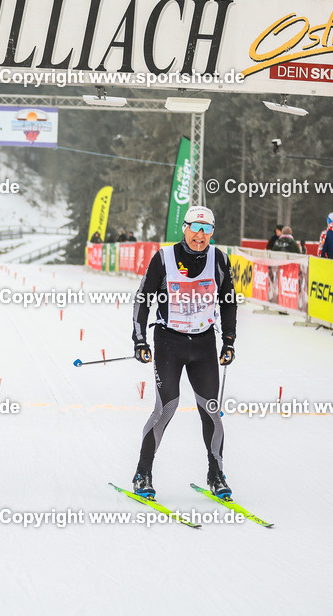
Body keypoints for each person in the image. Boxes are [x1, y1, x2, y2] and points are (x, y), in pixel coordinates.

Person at [130, 205, 238, 500]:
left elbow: (229, 302)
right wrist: (139, 340)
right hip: (169, 341)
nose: (200, 235)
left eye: (207, 229)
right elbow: (143, 298)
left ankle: (216, 474)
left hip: (203, 344)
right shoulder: (164, 257)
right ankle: (142, 473)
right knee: (166, 407)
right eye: (195, 228)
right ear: (185, 228)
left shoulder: (219, 259)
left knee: (211, 410)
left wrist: (229, 340)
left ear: (212, 233)